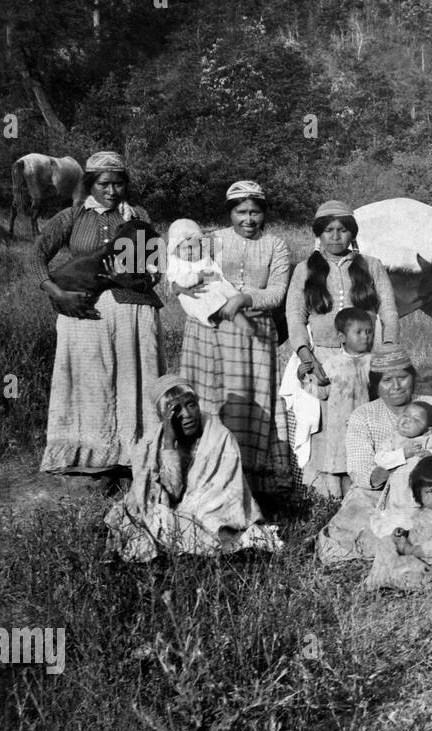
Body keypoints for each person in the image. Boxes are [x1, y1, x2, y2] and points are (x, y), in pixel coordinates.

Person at [34, 151, 164, 488]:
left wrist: (144, 273)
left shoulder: (138, 215)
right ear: (90, 183)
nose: (112, 190)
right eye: (104, 183)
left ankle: (132, 458)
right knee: (93, 382)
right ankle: (96, 458)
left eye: (119, 183)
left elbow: (153, 268)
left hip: (133, 311)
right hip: (85, 314)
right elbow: (35, 256)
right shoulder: (73, 216)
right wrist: (58, 293)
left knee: (134, 379)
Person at [175, 181, 293, 497]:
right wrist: (179, 287)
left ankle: (248, 485)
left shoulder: (276, 245)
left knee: (249, 402)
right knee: (210, 399)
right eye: (241, 212)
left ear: (264, 213)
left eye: (255, 212)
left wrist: (243, 299)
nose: (248, 220)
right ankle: (202, 479)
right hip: (208, 330)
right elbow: (180, 265)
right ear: (230, 213)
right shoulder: (211, 240)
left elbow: (277, 292)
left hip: (252, 336)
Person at [286, 200, 400, 494]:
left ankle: (365, 487)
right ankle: (325, 493)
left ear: (352, 234)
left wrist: (388, 348)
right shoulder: (305, 269)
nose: (335, 236)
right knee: (325, 427)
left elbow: (388, 309)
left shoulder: (371, 266)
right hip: (323, 359)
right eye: (328, 230)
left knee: (366, 422)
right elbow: (295, 317)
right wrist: (306, 356)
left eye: (342, 230)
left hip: (366, 360)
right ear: (319, 235)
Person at [105, 374, 282, 562]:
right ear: (163, 418)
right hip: (176, 511)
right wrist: (169, 444)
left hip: (212, 513)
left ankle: (187, 542)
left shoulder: (220, 438)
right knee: (130, 511)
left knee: (163, 522)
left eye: (191, 405)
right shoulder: (151, 444)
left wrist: (181, 511)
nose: (187, 415)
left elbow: (222, 498)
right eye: (176, 410)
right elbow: (167, 493)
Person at [315, 345, 432, 565]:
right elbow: (362, 473)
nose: (396, 386)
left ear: (413, 377)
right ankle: (404, 546)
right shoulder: (363, 415)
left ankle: (416, 545)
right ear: (375, 385)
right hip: (376, 497)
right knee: (341, 540)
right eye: (386, 381)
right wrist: (399, 463)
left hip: (430, 493)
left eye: (402, 378)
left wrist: (429, 464)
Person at [295, 307, 376, 498]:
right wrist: (304, 378)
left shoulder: (373, 362)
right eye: (359, 332)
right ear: (342, 337)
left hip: (365, 427)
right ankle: (334, 503)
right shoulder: (332, 364)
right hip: (339, 428)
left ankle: (355, 501)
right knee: (338, 468)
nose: (365, 337)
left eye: (368, 332)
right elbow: (322, 392)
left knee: (360, 466)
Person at [364, 456, 432, 592]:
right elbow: (418, 532)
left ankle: (422, 582)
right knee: (387, 541)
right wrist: (403, 534)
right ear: (418, 495)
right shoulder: (424, 512)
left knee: (409, 568)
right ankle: (377, 579)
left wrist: (412, 550)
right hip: (414, 555)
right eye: (430, 491)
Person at [368, 401, 432, 537]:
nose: (407, 420)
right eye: (405, 415)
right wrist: (402, 454)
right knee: (399, 519)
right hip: (400, 494)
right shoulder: (392, 440)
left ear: (428, 430)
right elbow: (380, 459)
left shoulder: (430, 441)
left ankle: (427, 534)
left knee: (431, 518)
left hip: (427, 491)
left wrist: (431, 454)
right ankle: (402, 535)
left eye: (415, 419)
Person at [165, 218, 253, 332]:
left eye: (194, 247)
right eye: (185, 248)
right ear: (176, 249)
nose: (190, 251)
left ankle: (240, 316)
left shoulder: (204, 257)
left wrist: (208, 277)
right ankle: (241, 323)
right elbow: (180, 282)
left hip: (212, 287)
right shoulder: (178, 263)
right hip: (195, 297)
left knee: (228, 294)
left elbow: (216, 274)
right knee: (214, 302)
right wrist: (198, 277)